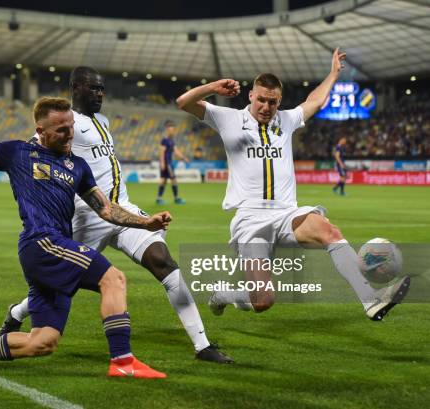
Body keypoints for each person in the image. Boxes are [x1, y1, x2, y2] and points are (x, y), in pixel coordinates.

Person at [0, 89, 169, 378]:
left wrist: (145, 223)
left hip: (52, 249)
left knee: (42, 342)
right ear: (40, 131)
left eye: (71, 127)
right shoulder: (19, 153)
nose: (70, 134)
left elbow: (106, 210)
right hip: (42, 242)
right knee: (114, 279)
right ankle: (123, 362)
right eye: (61, 130)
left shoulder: (78, 166)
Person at [0, 66, 233, 364]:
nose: (99, 94)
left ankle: (203, 346)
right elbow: (35, 147)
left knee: (164, 263)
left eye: (101, 89)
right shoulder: (67, 124)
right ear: (75, 88)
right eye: (92, 88)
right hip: (88, 216)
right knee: (60, 286)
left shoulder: (103, 121)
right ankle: (18, 312)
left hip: (123, 211)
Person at [176, 48, 410, 321]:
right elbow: (184, 102)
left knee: (330, 231)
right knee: (262, 300)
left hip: (288, 213)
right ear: (251, 96)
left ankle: (371, 300)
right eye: (261, 100)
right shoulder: (229, 119)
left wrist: (333, 74)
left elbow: (315, 101)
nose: (266, 107)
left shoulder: (285, 120)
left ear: (279, 102)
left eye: (272, 102)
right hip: (251, 220)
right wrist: (213, 87)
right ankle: (224, 295)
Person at [156, 120, 189, 204]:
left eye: (173, 130)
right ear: (167, 130)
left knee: (164, 180)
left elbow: (176, 151)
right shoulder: (165, 140)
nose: (172, 131)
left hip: (169, 163)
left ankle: (159, 198)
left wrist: (184, 158)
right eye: (170, 130)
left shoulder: (171, 140)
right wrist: (163, 163)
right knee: (173, 180)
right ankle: (176, 198)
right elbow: (162, 152)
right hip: (167, 163)